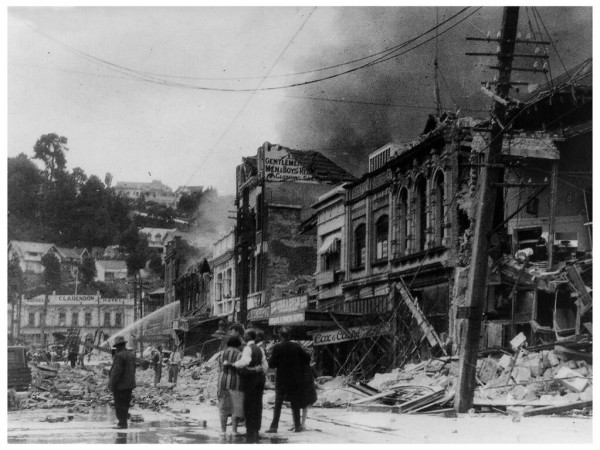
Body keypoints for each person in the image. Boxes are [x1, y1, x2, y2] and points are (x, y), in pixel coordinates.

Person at [265, 326, 311, 434]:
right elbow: (307, 358)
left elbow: (271, 364)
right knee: (295, 403)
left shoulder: (277, 347)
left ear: (280, 336)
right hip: (295, 379)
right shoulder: (297, 346)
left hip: (282, 379)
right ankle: (298, 426)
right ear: (290, 336)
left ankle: (274, 427)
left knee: (278, 403)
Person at [225, 329, 268, 443]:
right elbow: (265, 366)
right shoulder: (260, 349)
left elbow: (245, 361)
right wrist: (257, 370)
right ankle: (256, 428)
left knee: (249, 403)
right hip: (259, 379)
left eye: (245, 334)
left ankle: (250, 429)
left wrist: (233, 364)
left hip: (250, 380)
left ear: (249, 336)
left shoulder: (248, 348)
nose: (243, 335)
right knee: (258, 403)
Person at [216, 336, 245, 437]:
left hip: (222, 382)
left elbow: (220, 367)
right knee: (235, 407)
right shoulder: (240, 355)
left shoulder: (221, 354)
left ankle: (223, 430)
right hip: (236, 382)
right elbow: (242, 369)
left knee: (223, 407)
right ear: (238, 344)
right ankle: (234, 431)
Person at [108, 336, 136, 429]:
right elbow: (133, 369)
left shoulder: (119, 356)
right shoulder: (131, 354)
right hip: (129, 384)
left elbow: (116, 372)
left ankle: (122, 423)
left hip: (120, 385)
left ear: (118, 346)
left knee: (119, 405)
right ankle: (124, 423)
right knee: (125, 405)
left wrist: (111, 384)